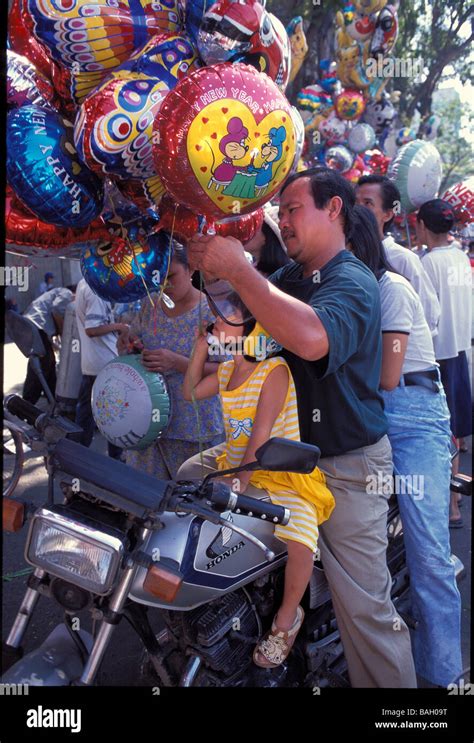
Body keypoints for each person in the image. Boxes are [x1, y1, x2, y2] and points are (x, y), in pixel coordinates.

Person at [182, 167, 417, 688]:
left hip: (342, 465)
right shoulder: (291, 278)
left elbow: (311, 339)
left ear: (333, 209)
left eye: (292, 210)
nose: (282, 222)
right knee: (183, 484)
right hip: (276, 456)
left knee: (366, 613)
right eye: (279, 213)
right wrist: (206, 259)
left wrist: (241, 272)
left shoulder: (352, 281)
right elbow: (243, 324)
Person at [183, 296, 334, 667]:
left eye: (223, 322)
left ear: (251, 330)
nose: (214, 328)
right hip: (235, 465)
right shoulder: (224, 372)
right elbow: (188, 392)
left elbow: (261, 437)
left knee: (300, 538)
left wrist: (238, 484)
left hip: (281, 471)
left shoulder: (274, 371)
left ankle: (286, 620)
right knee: (187, 487)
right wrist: (198, 351)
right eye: (213, 323)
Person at [349, 204, 462, 687]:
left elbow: (389, 376)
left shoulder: (390, 287)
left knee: (428, 555)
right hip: (366, 415)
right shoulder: (337, 289)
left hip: (411, 416)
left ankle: (443, 678)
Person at [117, 242, 224, 479]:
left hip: (195, 429)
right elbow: (132, 340)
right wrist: (127, 344)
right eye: (158, 278)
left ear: (191, 270)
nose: (165, 285)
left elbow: (228, 371)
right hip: (146, 427)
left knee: (193, 507)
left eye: (172, 276)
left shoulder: (211, 313)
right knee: (146, 501)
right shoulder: (150, 305)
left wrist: (178, 363)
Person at [416, 200, 472, 527]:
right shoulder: (460, 256)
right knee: (453, 434)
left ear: (423, 225)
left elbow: (427, 314)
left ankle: (451, 506)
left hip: (437, 355)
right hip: (460, 350)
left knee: (442, 434)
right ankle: (456, 499)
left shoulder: (427, 262)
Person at [356, 175, 440, 335]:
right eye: (355, 202)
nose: (357, 210)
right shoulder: (342, 255)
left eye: (367, 203)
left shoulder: (403, 259)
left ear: (387, 214)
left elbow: (429, 316)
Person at [74, 278, 128, 459]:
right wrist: (120, 327)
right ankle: (115, 458)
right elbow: (92, 328)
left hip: (95, 362)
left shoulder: (87, 284)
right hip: (102, 363)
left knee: (88, 412)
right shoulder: (94, 289)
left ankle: (78, 454)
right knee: (112, 413)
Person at [22, 285, 75, 404]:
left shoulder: (56, 293)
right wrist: (63, 333)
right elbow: (57, 309)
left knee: (49, 362)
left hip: (33, 326)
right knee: (42, 363)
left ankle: (53, 398)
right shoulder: (67, 293)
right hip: (37, 326)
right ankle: (27, 402)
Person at [243, 207, 291, 277]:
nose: (246, 230)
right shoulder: (250, 269)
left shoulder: (281, 278)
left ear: (267, 236)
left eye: (254, 227)